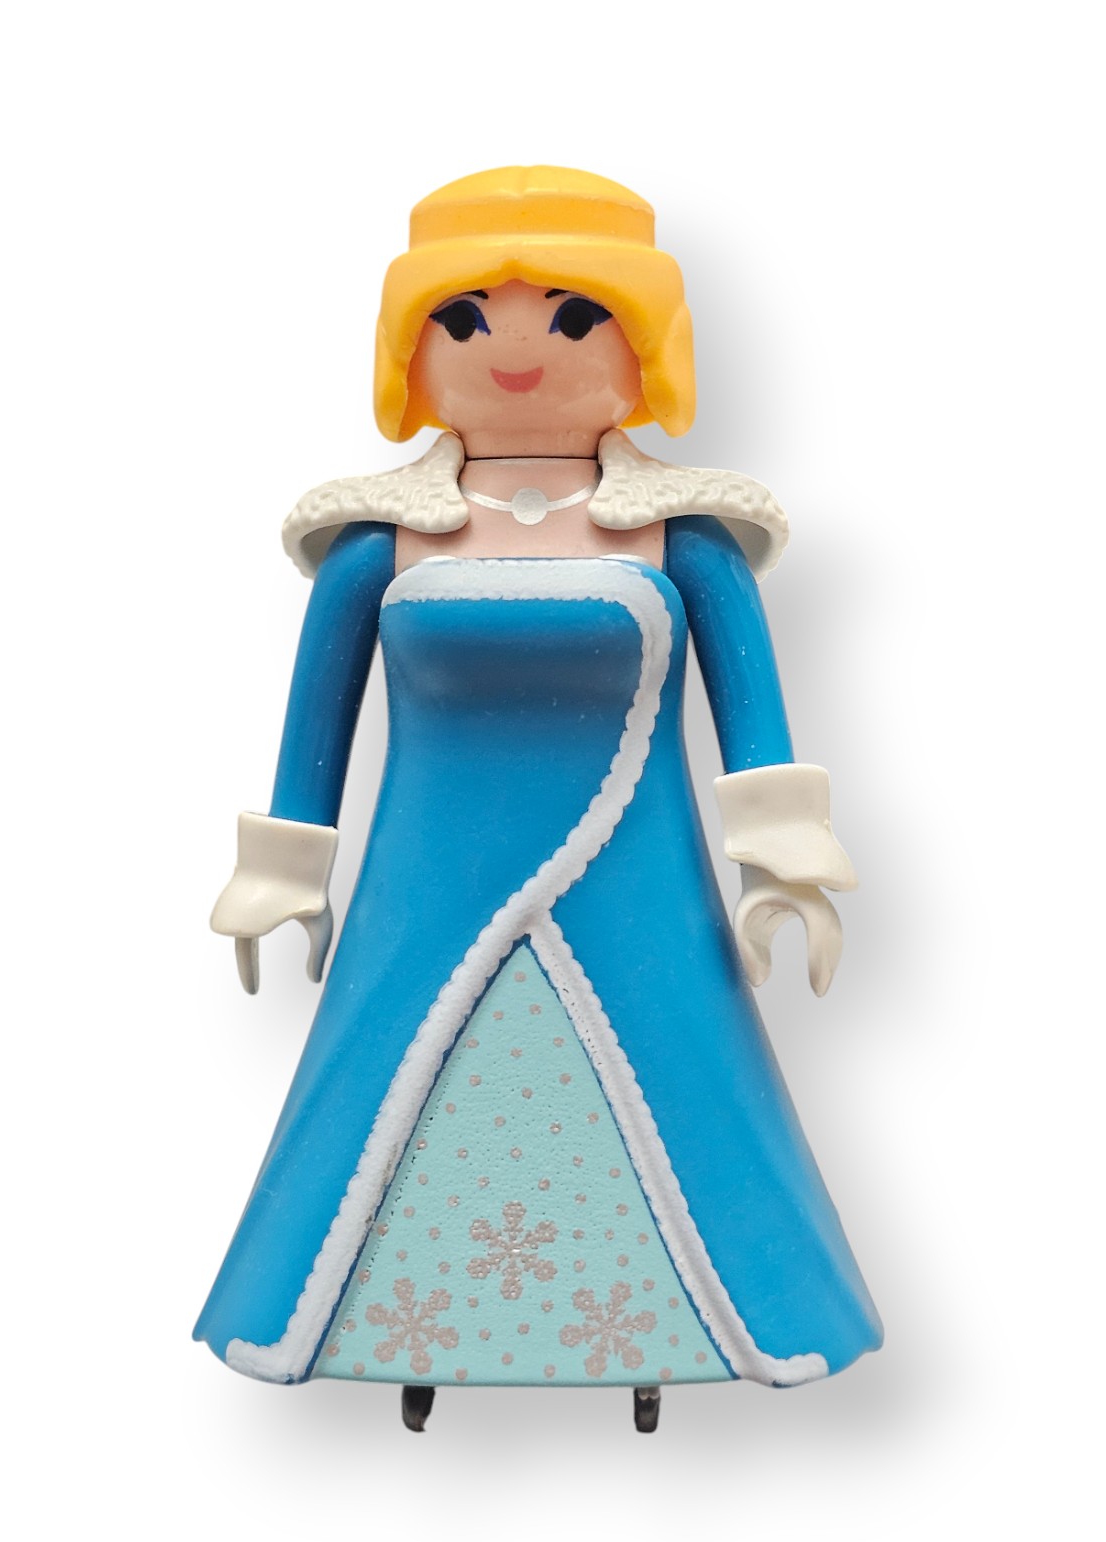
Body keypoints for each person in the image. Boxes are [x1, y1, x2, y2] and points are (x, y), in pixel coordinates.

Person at [195, 166, 881, 1431]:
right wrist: (282, 869)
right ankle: (409, 1339)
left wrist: (784, 862)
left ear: (644, 350)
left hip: (635, 879)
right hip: (425, 885)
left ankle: (659, 1342)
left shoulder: (682, 536)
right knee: (388, 1085)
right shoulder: (377, 540)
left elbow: (755, 723)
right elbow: (316, 722)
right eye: (462, 321)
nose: (516, 355)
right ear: (410, 354)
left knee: (675, 1087)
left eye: (574, 319)